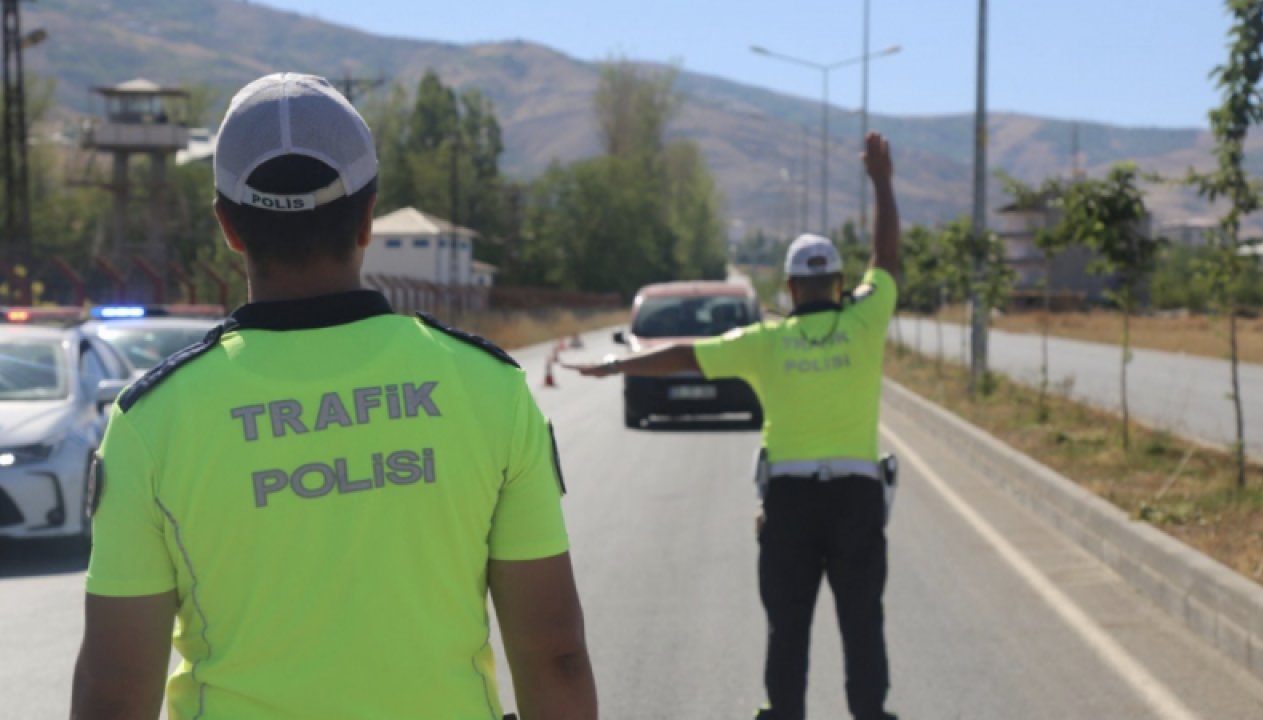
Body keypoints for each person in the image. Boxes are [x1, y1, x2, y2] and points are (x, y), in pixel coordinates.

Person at [71, 73, 597, 720]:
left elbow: (114, 694)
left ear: (228, 227)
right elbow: (555, 657)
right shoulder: (490, 386)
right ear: (368, 217)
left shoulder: (150, 421)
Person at [567, 132, 900, 720]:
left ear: (790, 288)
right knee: (862, 623)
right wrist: (881, 182)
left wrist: (614, 364)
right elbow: (888, 258)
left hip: (791, 502)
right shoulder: (866, 320)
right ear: (839, 284)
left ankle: (783, 712)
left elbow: (683, 354)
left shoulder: (765, 341)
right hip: (857, 499)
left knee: (787, 625)